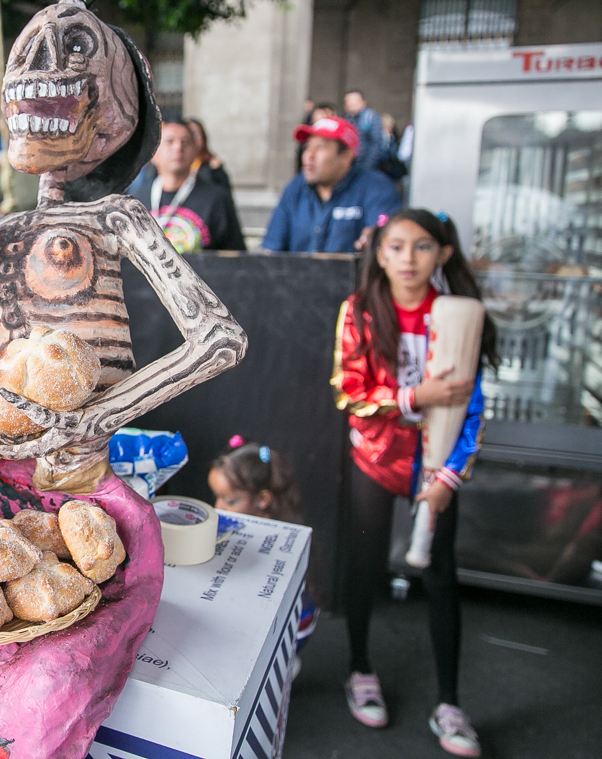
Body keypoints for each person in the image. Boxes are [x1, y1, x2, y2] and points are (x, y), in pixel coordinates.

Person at [331, 209, 497, 758]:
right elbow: (348, 392)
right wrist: (411, 400)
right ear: (379, 252)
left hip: (437, 462)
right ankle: (360, 669)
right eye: (396, 247)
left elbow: (472, 405)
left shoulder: (458, 315)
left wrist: (451, 474)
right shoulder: (359, 311)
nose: (408, 258)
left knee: (442, 575)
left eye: (423, 247)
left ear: (443, 254)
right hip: (376, 457)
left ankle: (450, 702)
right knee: (365, 562)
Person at [209, 435, 318, 660]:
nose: (217, 507)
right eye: (217, 497)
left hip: (289, 631)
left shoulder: (278, 540)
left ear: (262, 500)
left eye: (230, 501)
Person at [262, 116, 402, 254]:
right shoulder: (295, 189)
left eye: (320, 147)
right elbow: (271, 248)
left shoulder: (376, 188)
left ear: (346, 156)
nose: (309, 155)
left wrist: (375, 236)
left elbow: (384, 232)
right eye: (307, 147)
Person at [132, 120, 245, 253]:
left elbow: (235, 255)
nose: (178, 148)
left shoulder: (216, 199)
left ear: (195, 152)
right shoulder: (136, 200)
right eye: (169, 142)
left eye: (185, 142)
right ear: (153, 153)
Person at [343, 90, 383, 171]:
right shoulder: (346, 119)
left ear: (363, 102)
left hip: (365, 165)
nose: (350, 104)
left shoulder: (370, 117)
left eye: (354, 101)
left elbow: (376, 143)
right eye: (348, 101)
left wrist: (367, 167)